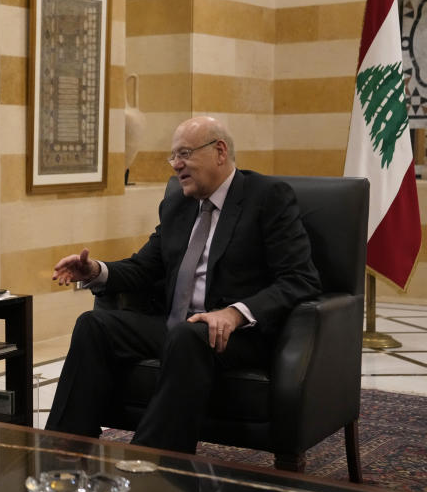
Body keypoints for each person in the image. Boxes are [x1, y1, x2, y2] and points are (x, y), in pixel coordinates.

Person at [45, 116, 321, 453]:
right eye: (173, 157)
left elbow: (300, 279)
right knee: (93, 324)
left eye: (185, 154)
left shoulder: (267, 197)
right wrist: (94, 271)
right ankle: (63, 450)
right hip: (178, 328)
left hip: (236, 335)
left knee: (188, 336)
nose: (176, 165)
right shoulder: (178, 203)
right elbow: (144, 267)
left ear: (220, 151)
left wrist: (234, 313)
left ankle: (152, 464)